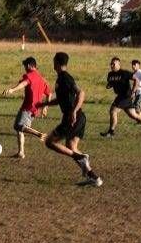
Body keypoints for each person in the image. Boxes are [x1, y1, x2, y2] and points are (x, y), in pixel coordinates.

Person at [40, 52, 103, 186]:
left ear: (57, 62)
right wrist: (45, 104)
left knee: (49, 142)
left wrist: (73, 111)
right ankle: (94, 178)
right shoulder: (61, 79)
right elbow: (60, 100)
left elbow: (81, 93)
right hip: (79, 117)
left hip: (72, 117)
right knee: (71, 146)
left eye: (53, 61)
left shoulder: (65, 77)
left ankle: (81, 157)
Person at [1, 56, 50, 159]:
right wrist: (45, 107)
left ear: (28, 65)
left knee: (18, 125)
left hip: (28, 107)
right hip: (35, 109)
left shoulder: (29, 76)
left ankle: (39, 134)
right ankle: (21, 152)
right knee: (21, 129)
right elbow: (49, 93)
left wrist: (12, 90)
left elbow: (23, 84)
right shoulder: (41, 78)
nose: (25, 68)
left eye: (25, 66)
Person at [101, 56, 141, 139]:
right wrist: (109, 85)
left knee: (113, 111)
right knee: (133, 115)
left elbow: (136, 80)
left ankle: (111, 132)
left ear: (119, 64)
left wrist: (133, 91)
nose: (112, 65)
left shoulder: (124, 73)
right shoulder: (110, 74)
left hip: (125, 96)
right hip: (120, 96)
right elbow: (111, 83)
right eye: (111, 64)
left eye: (114, 64)